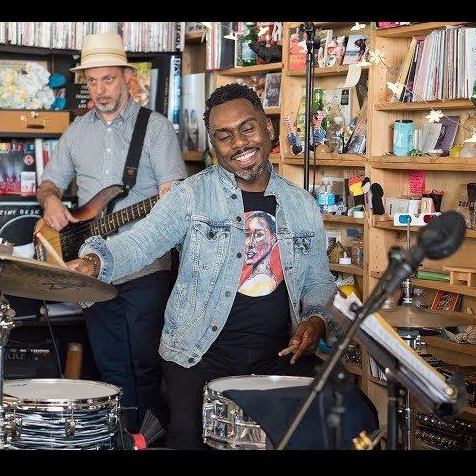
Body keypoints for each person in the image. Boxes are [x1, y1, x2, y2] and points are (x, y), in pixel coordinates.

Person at [67, 83, 340, 449]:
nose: (239, 143)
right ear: (214, 146)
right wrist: (96, 261)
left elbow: (319, 282)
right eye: (224, 137)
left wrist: (318, 318)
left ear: (268, 128)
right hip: (198, 356)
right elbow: (142, 241)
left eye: (247, 128)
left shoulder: (302, 204)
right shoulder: (190, 195)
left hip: (279, 358)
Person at [37, 32, 187, 434]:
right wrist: (51, 200)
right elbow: (50, 182)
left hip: (146, 268)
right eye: (93, 81)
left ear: (127, 76)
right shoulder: (76, 133)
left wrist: (171, 198)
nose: (100, 89)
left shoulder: (155, 129)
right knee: (110, 364)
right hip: (92, 269)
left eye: (108, 79)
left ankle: (151, 437)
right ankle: (120, 437)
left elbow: (174, 198)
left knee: (145, 363)